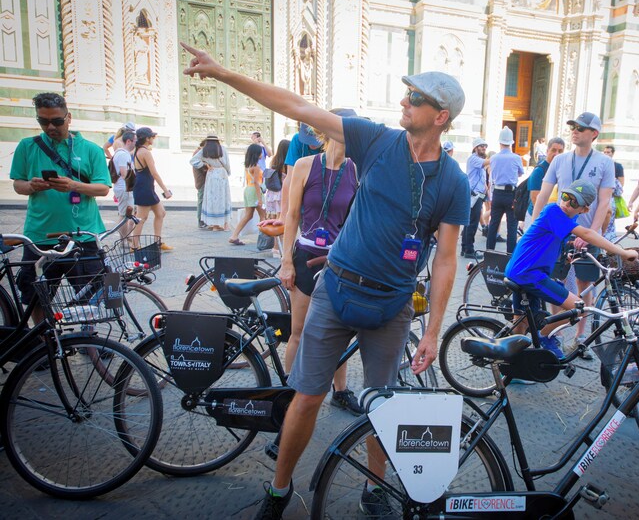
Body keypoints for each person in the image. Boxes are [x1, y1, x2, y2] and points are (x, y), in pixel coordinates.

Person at [181, 43, 470, 519]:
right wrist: (224, 73)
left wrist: (434, 330)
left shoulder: (454, 180)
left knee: (384, 403)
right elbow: (297, 105)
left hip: (392, 306)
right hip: (336, 291)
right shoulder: (375, 140)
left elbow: (446, 259)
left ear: (440, 117)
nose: (403, 103)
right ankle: (278, 490)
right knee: (306, 395)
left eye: (414, 99)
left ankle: (375, 490)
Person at [277, 110, 361, 415]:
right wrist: (286, 260)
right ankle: (289, 391)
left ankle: (341, 391)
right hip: (305, 255)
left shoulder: (356, 170)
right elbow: (292, 215)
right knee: (298, 330)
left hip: (338, 261)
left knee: (338, 331)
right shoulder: (303, 165)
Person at [505, 179, 638, 357]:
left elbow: (551, 238)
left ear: (584, 209)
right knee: (578, 307)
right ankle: (544, 335)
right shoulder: (553, 210)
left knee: (521, 323)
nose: (566, 203)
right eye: (566, 196)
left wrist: (565, 254)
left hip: (521, 270)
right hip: (529, 274)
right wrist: (621, 252)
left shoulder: (568, 217)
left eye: (574, 202)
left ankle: (512, 367)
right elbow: (587, 233)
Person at [11, 92, 112, 324]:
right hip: (40, 236)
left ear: (69, 117)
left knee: (91, 294)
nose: (50, 127)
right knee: (37, 297)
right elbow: (18, 184)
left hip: (82, 235)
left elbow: (103, 189)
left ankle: (90, 339)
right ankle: (44, 342)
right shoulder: (27, 146)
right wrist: (31, 186)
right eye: (43, 121)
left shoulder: (91, 150)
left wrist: (73, 185)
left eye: (56, 121)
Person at [528, 112, 615, 357]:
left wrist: (591, 234)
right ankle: (555, 333)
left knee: (584, 285)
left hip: (586, 234)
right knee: (554, 283)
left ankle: (580, 337)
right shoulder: (560, 160)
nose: (575, 130)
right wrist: (535, 228)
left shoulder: (604, 163)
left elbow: (604, 202)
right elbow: (543, 196)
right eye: (573, 127)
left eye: (581, 128)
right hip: (558, 233)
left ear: (594, 134)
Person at [131, 127, 174, 251]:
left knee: (161, 213)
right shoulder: (145, 152)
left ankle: (157, 242)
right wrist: (165, 190)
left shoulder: (138, 150)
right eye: (151, 137)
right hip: (144, 187)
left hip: (145, 186)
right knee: (141, 218)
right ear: (147, 138)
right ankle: (134, 246)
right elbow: (154, 173)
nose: (153, 139)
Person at [486, 126, 524, 252]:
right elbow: (520, 173)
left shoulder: (494, 158)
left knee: (493, 224)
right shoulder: (516, 158)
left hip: (497, 192)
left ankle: (489, 252)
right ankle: (510, 255)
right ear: (511, 143)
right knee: (512, 226)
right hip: (511, 193)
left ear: (500, 142)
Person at [190, 135, 231, 231]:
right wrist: (228, 172)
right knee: (223, 198)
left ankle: (214, 225)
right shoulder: (222, 149)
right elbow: (227, 163)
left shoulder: (204, 150)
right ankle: (223, 224)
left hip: (211, 174)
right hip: (221, 173)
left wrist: (204, 165)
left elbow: (193, 161)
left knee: (212, 199)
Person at [229, 143, 267, 245]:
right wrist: (259, 199)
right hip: (254, 190)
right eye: (261, 152)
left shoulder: (247, 165)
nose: (262, 154)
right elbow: (256, 182)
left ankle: (234, 235)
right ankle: (263, 239)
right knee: (263, 215)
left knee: (248, 215)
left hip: (248, 190)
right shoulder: (256, 166)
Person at [461, 137, 489, 259]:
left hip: (477, 195)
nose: (484, 148)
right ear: (475, 148)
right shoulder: (474, 159)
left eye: (485, 146)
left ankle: (464, 248)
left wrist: (486, 191)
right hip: (473, 195)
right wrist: (499, 157)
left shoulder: (478, 159)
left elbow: (482, 179)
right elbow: (486, 163)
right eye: (481, 146)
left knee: (469, 222)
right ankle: (469, 250)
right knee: (472, 223)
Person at [526, 137, 565, 219]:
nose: (557, 154)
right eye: (553, 150)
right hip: (538, 217)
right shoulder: (539, 171)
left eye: (560, 151)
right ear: (547, 151)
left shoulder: (562, 170)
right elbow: (535, 198)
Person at [264, 139, 290, 256]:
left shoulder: (274, 161)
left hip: (272, 194)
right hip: (282, 194)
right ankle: (279, 247)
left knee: (275, 220)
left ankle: (276, 247)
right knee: (282, 221)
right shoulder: (287, 164)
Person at [112, 130, 136, 238]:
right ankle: (123, 239)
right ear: (128, 141)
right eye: (135, 141)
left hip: (123, 187)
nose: (136, 143)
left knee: (125, 214)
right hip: (124, 188)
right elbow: (124, 173)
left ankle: (125, 238)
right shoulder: (123, 155)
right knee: (123, 215)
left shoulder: (121, 153)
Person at [602, 144, 625, 240]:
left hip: (609, 199)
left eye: (608, 152)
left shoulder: (618, 166)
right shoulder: (612, 178)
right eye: (605, 152)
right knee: (608, 227)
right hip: (608, 199)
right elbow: (619, 190)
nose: (606, 154)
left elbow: (621, 185)